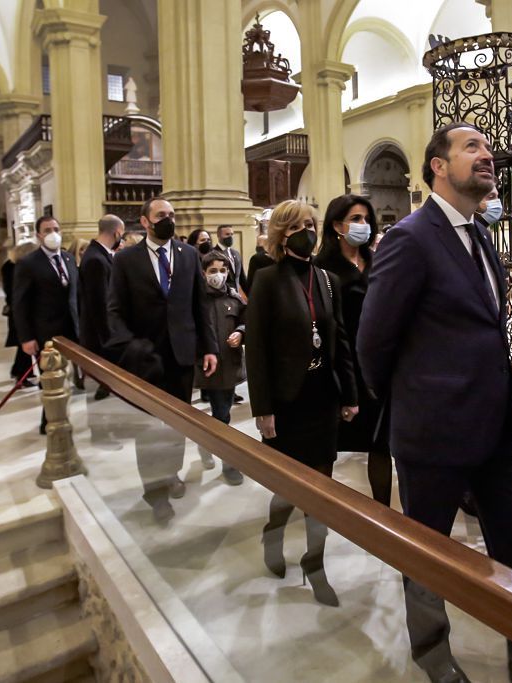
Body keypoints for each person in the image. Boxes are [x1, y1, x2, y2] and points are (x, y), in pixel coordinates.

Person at [357, 123, 512, 683]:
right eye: (472, 148)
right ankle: (433, 655)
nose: (488, 156)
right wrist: (415, 401)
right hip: (433, 431)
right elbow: (374, 340)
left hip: (493, 427)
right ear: (438, 166)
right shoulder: (411, 238)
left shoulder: (479, 236)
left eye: (489, 148)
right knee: (428, 554)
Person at [245, 199, 358, 608]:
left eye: (311, 223)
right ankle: (273, 534)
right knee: (287, 487)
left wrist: (349, 394)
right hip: (286, 401)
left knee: (322, 491)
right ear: (281, 233)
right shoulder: (267, 279)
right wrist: (263, 409)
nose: (307, 231)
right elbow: (255, 349)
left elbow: (339, 340)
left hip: (322, 398)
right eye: (297, 226)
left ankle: (316, 565)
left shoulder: (327, 280)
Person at [107, 196, 219, 522]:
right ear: (145, 221)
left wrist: (209, 347)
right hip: (146, 358)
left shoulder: (188, 255)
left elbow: (200, 306)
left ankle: (171, 472)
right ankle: (155, 493)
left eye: (171, 214)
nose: (167, 219)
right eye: (160, 215)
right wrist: (129, 346)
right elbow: (114, 311)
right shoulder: (126, 260)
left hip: (182, 354)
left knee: (178, 422)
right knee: (150, 429)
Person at [314, 193, 392, 506]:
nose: (364, 225)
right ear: (336, 225)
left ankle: (385, 518)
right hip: (339, 367)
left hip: (375, 366)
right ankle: (320, 517)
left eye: (366, 220)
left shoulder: (375, 261)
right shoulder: (322, 267)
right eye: (355, 219)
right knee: (328, 448)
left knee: (381, 445)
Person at [13, 215, 80, 433]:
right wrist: (25, 337)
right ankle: (49, 420)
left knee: (66, 376)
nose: (53, 233)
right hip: (44, 331)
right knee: (50, 379)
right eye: (47, 229)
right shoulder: (29, 263)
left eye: (56, 229)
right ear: (39, 234)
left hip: (70, 328)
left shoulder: (69, 259)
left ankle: (61, 414)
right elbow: (20, 303)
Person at [194, 251, 246, 486]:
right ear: (204, 273)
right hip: (204, 366)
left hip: (227, 365)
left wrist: (241, 332)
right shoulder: (196, 299)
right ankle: (209, 445)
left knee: (222, 415)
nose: (219, 275)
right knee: (218, 416)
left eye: (223, 271)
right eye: (213, 271)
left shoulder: (233, 299)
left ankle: (226, 461)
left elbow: (246, 320)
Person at [80, 214, 125, 400]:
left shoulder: (98, 253)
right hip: (100, 329)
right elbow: (100, 302)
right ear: (117, 233)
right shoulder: (96, 259)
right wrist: (110, 336)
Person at [1, 241, 38, 387]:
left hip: (19, 310)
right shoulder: (16, 268)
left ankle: (22, 372)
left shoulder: (10, 266)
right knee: (25, 345)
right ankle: (20, 374)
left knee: (23, 345)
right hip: (22, 312)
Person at [212, 224, 247, 293]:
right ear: (219, 236)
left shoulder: (236, 253)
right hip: (221, 295)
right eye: (227, 234)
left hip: (235, 296)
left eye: (232, 234)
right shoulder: (213, 254)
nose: (230, 237)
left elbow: (242, 278)